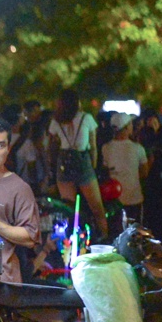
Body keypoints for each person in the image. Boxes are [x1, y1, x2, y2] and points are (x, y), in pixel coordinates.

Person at [0, 119, 42, 284]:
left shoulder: (19, 187)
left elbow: (30, 238)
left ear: (8, 148)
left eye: (0, 145)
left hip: (3, 282)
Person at [47, 90, 105, 229]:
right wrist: (93, 167)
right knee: (97, 208)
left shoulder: (56, 121)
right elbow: (93, 147)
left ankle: (70, 242)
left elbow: (51, 146)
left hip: (64, 163)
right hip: (83, 161)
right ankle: (104, 237)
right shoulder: (87, 118)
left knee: (68, 209)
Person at [102, 116, 148, 230]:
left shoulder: (106, 148)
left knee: (117, 233)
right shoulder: (138, 148)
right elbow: (144, 172)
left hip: (114, 201)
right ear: (127, 127)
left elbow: (105, 172)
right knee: (134, 233)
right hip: (134, 199)